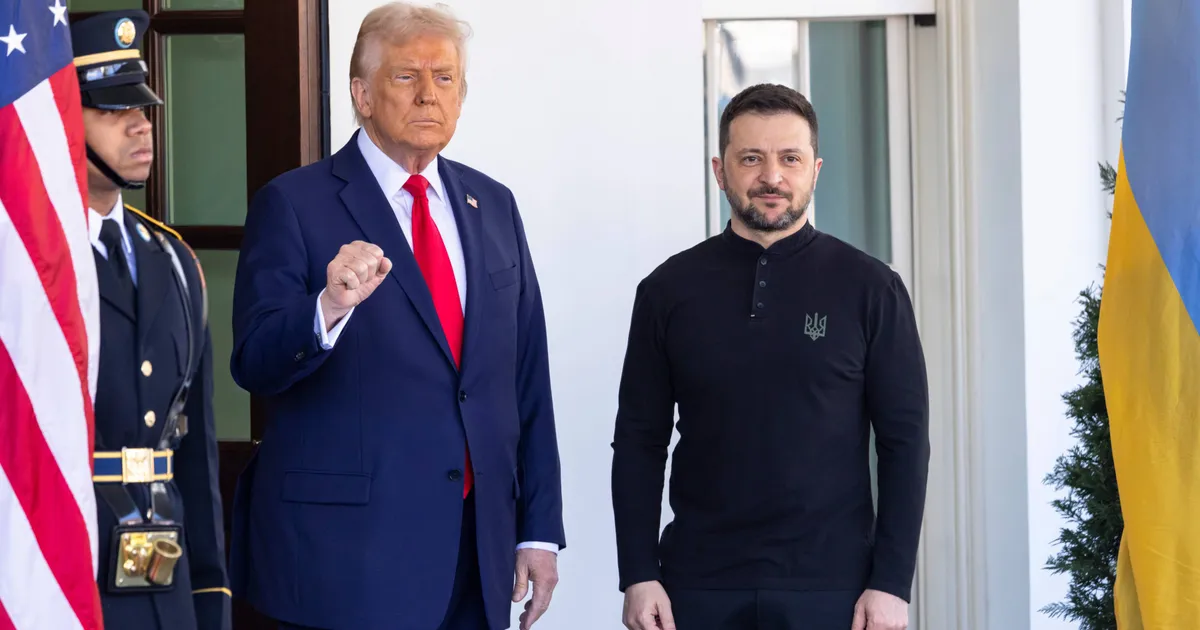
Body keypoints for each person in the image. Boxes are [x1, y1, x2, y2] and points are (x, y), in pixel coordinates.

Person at [227, 3, 565, 629]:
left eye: (445, 78)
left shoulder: (493, 204)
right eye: (407, 76)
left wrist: (538, 530)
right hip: (348, 560)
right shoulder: (293, 203)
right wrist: (328, 307)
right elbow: (254, 362)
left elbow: (526, 378)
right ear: (362, 94)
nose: (429, 94)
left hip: (478, 552)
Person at [611, 83, 930, 630]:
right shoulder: (667, 290)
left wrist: (892, 583)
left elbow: (905, 442)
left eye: (790, 159)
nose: (772, 177)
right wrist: (638, 573)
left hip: (835, 589)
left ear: (815, 170)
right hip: (696, 586)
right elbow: (640, 440)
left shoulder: (872, 289)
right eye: (751, 158)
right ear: (720, 171)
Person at [71, 10, 231, 630]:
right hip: (62, 574)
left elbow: (195, 453)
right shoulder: (26, 262)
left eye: (142, 106)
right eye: (114, 110)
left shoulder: (173, 259)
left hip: (164, 579)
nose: (142, 124)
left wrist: (210, 596)